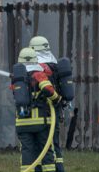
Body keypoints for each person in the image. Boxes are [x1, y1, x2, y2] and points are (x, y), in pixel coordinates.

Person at [14, 47, 61, 172]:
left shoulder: (18, 79)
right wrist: (57, 99)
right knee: (46, 152)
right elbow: (48, 89)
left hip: (22, 123)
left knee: (27, 153)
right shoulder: (38, 74)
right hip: (41, 123)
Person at [30, 36, 65, 172]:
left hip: (42, 110)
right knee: (54, 143)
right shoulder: (54, 64)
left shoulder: (35, 67)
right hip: (54, 109)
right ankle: (58, 168)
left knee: (41, 144)